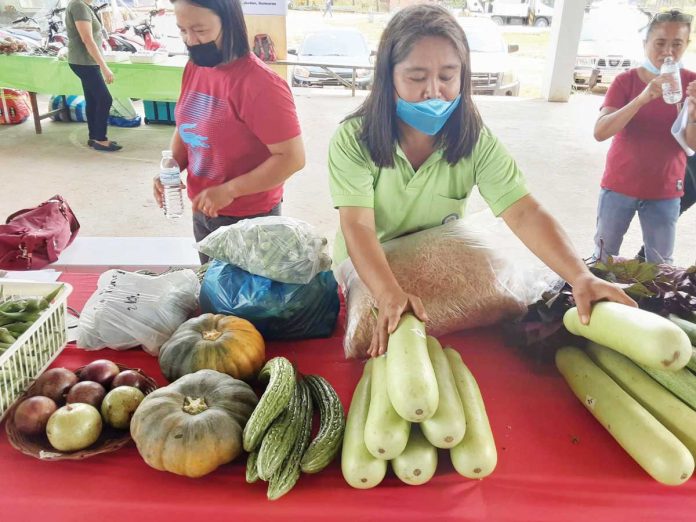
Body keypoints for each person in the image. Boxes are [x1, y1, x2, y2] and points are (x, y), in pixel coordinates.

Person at [327, 4, 635, 357]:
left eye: (447, 76)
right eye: (416, 77)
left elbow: (523, 212)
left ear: (464, 75)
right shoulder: (354, 139)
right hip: (372, 269)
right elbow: (359, 226)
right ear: (388, 77)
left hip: (439, 261)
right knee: (371, 333)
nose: (434, 91)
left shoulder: (473, 138)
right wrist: (387, 292)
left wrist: (580, 276)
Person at [154, 0, 305, 263]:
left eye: (200, 30)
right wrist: (172, 167)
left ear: (230, 23)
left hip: (249, 220)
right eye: (182, 30)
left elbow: (292, 158)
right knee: (212, 288)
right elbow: (188, 122)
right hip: (203, 209)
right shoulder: (195, 67)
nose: (191, 41)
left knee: (243, 300)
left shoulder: (261, 85)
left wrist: (229, 190)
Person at [593, 9, 696, 265]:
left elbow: (691, 145)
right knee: (603, 259)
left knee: (661, 267)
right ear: (645, 44)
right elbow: (600, 131)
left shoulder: (692, 84)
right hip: (619, 186)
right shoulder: (625, 82)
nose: (668, 52)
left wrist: (693, 113)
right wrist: (642, 98)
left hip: (666, 190)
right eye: (660, 43)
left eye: (677, 44)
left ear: (687, 45)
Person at [65, 0, 121, 151]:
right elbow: (87, 39)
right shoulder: (79, 6)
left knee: (94, 99)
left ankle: (93, 137)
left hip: (85, 61)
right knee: (104, 99)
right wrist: (104, 67)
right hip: (84, 61)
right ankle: (100, 139)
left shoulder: (82, 5)